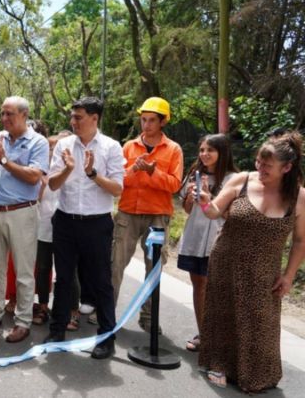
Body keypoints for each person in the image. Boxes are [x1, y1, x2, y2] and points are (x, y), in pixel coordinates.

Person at [197, 131, 305, 392]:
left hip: (265, 270)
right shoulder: (243, 180)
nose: (260, 168)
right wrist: (204, 202)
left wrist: (289, 276)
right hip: (227, 260)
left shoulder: (299, 197)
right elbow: (213, 212)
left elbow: (300, 241)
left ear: (287, 167)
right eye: (258, 162)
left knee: (260, 322)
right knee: (224, 315)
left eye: (267, 165)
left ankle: (256, 373)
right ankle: (219, 364)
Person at [44, 97, 124, 360]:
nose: (73, 122)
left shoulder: (111, 147)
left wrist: (92, 174)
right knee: (63, 279)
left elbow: (117, 188)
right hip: (65, 221)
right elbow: (52, 185)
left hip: (97, 223)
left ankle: (106, 338)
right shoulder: (64, 145)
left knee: (101, 281)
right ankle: (56, 332)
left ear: (94, 118)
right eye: (72, 117)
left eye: (78, 117)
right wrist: (68, 170)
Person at [0, 96, 48, 343]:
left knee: (24, 272)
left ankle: (23, 321)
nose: (4, 118)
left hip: (22, 212)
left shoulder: (38, 142)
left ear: (24, 115)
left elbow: (33, 177)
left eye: (10, 114)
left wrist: (4, 158)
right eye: (2, 113)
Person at [110, 97, 183, 333]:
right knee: (115, 264)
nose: (147, 124)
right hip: (128, 213)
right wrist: (134, 169)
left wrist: (153, 172)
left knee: (154, 269)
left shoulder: (173, 149)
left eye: (152, 120)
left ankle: (149, 317)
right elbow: (117, 180)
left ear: (163, 122)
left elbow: (174, 185)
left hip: (157, 216)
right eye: (143, 119)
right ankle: (106, 313)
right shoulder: (129, 147)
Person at [177, 134, 237, 352]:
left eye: (210, 150)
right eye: (202, 150)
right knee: (199, 286)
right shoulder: (194, 174)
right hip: (195, 236)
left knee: (218, 289)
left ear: (222, 153)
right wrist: (190, 199)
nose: (204, 154)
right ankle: (203, 334)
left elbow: (232, 214)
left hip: (218, 240)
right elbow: (185, 209)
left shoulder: (234, 179)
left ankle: (220, 336)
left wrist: (210, 198)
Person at [33, 131, 72, 327]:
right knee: (42, 267)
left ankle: (71, 309)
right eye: (49, 148)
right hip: (43, 226)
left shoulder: (71, 170)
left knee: (68, 270)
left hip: (67, 227)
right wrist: (41, 185)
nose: (51, 151)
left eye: (55, 147)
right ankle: (42, 305)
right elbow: (35, 199)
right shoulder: (40, 171)